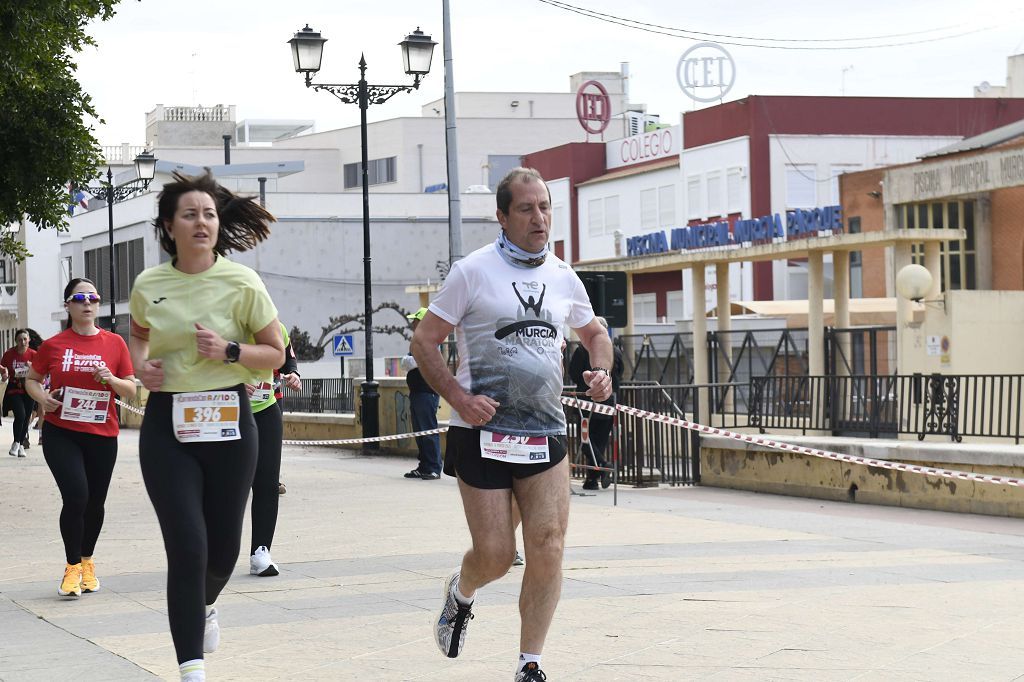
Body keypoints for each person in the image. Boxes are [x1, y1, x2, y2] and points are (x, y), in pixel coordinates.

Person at [411, 167, 613, 682]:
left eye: (544, 206)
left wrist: (601, 373)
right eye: (526, 208)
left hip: (544, 431)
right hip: (481, 432)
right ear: (502, 216)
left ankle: (530, 663)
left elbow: (596, 333)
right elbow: (424, 341)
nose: (539, 217)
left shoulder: (564, 276)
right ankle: (462, 592)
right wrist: (458, 396)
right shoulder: (472, 271)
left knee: (548, 542)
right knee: (498, 555)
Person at [129, 170, 284, 682]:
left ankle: (206, 604)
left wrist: (230, 350)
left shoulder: (242, 282)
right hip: (167, 426)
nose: (202, 222)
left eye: (209, 214)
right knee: (188, 547)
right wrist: (142, 366)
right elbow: (138, 337)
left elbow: (276, 354)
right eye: (190, 214)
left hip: (231, 423)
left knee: (222, 552)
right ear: (169, 226)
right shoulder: (149, 285)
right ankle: (191, 669)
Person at [25, 278, 136, 598]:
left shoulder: (115, 343)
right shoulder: (54, 345)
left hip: (102, 434)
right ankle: (72, 566)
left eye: (93, 298)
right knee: (76, 496)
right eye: (80, 298)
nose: (88, 303)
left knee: (95, 502)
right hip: (62, 432)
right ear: (68, 305)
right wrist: (42, 398)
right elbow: (32, 379)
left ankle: (87, 561)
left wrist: (111, 378)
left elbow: (130, 388)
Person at [245, 322, 300, 577]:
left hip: (266, 407)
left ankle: (261, 552)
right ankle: (214, 551)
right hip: (227, 410)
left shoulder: (275, 326)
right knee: (227, 487)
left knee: (267, 484)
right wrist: (230, 382)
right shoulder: (222, 321)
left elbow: (287, 357)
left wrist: (293, 374)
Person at [568, 317, 624, 490]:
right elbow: (620, 373)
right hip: (608, 401)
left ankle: (601, 466)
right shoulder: (615, 351)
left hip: (587, 401)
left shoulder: (581, 352)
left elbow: (574, 374)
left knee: (586, 440)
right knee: (598, 441)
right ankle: (592, 480)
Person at [401, 307, 442, 480]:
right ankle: (424, 465)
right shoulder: (418, 341)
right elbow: (408, 362)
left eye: (415, 320)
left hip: (427, 393)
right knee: (420, 432)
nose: (412, 323)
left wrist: (411, 360)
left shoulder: (430, 340)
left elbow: (413, 361)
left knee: (428, 430)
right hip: (418, 393)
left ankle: (433, 467)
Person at [2, 329, 37, 457]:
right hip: (14, 388)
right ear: (16, 341)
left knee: (27, 417)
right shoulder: (9, 354)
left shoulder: (33, 355)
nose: (22, 342)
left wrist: (32, 367)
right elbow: (2, 368)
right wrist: (4, 374)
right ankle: (16, 442)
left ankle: (21, 444)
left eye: (25, 339)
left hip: (29, 388)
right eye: (19, 340)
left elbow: (41, 372)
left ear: (29, 340)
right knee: (20, 415)